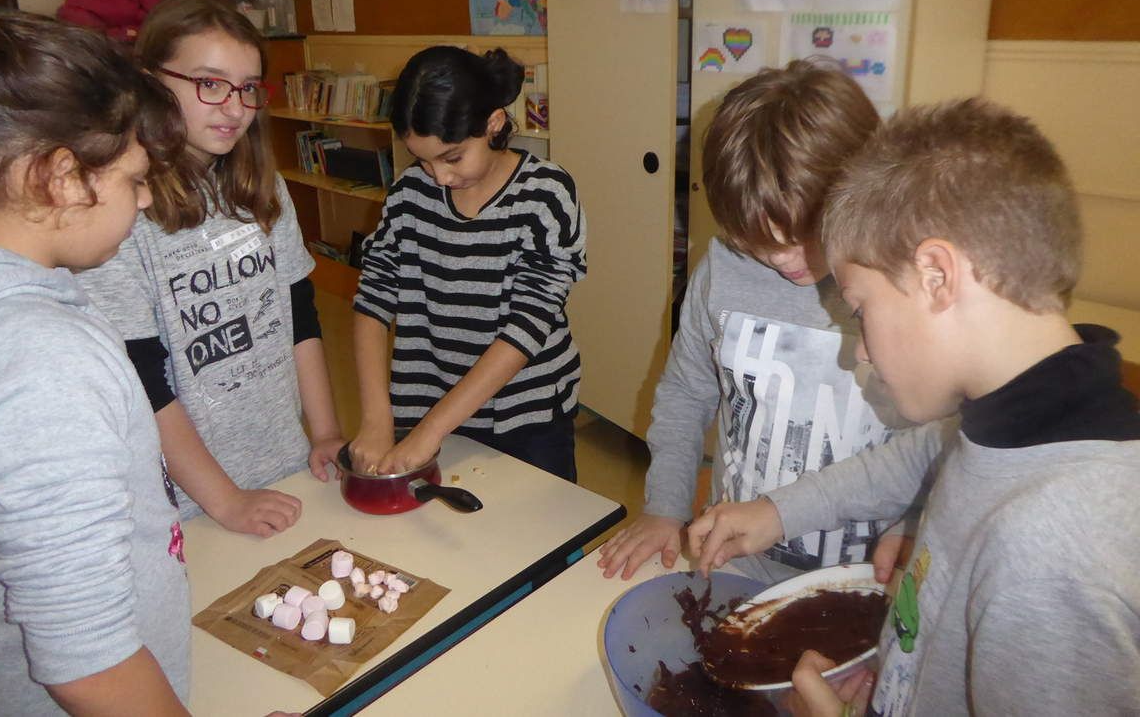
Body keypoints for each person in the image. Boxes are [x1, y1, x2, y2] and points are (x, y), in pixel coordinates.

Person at [689, 99, 1140, 716]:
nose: (860, 352)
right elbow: (917, 456)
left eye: (860, 308)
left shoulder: (1051, 552)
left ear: (936, 276)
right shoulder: (1002, 429)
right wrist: (776, 511)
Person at [0, 13, 191, 714]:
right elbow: (89, 666)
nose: (145, 198)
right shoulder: (42, 365)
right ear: (59, 176)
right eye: (134, 179)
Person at [600, 59, 905, 582]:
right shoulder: (721, 268)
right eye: (756, 243)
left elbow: (936, 438)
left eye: (804, 237)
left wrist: (913, 520)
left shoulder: (897, 284)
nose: (783, 260)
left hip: (863, 569)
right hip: (739, 557)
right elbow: (685, 393)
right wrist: (666, 506)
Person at [77, 0, 345, 538]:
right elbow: (142, 378)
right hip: (193, 499)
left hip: (285, 460)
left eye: (247, 88)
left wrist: (325, 433)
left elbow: (301, 318)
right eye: (210, 83)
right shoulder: (122, 213)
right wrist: (225, 500)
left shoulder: (266, 189)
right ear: (150, 82)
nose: (234, 107)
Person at [349, 46, 587, 481]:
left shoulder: (546, 194)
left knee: (539, 521)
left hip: (525, 415)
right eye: (423, 160)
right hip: (426, 404)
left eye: (452, 157)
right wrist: (376, 417)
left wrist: (431, 432)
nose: (439, 177)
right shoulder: (408, 194)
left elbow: (528, 324)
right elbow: (373, 299)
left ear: (493, 124)